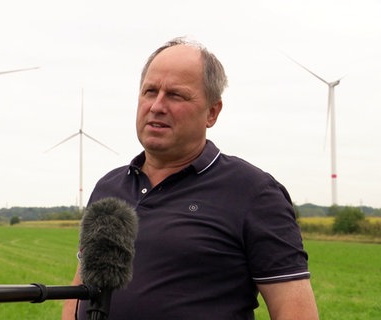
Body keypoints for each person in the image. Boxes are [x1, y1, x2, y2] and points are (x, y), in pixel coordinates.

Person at [62, 37, 319, 320]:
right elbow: (80, 287)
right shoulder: (108, 187)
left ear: (212, 112)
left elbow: (295, 312)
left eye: (176, 95)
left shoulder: (254, 193)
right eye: (150, 91)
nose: (157, 105)